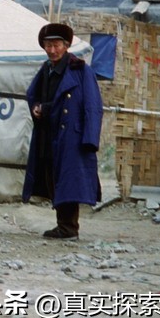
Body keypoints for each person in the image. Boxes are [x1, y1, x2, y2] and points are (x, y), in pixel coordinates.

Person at [24, 23, 102, 240]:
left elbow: (93, 106)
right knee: (53, 178)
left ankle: (69, 227)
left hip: (71, 137)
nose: (52, 50)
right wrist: (36, 107)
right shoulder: (46, 69)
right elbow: (34, 95)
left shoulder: (81, 71)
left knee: (68, 180)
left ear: (66, 45)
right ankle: (62, 224)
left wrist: (90, 139)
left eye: (56, 45)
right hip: (49, 134)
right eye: (48, 45)